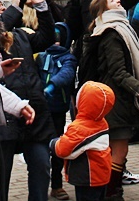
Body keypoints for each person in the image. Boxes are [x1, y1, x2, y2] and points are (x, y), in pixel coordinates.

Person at [79, 0, 139, 200]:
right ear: (105, 11)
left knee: (115, 151)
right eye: (113, 1)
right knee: (119, 152)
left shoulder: (116, 29)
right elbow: (118, 71)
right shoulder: (112, 33)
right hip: (116, 100)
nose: (119, 1)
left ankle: (111, 192)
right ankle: (112, 193)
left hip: (113, 98)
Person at [0, 0, 57, 201]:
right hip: (5, 117)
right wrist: (17, 2)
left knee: (41, 166)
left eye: (5, 7)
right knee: (0, 175)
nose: (3, 9)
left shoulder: (21, 35)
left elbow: (48, 38)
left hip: (35, 113)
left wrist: (41, 6)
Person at [49, 81, 115, 201]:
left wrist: (52, 143)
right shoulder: (101, 121)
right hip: (102, 175)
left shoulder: (80, 128)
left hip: (87, 178)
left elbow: (62, 150)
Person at [38, 21, 78, 201]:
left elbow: (67, 73)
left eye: (59, 38)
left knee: (56, 148)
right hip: (39, 109)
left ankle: (56, 185)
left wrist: (52, 86)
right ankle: (40, 185)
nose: (55, 42)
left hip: (57, 109)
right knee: (39, 149)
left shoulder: (68, 58)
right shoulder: (39, 56)